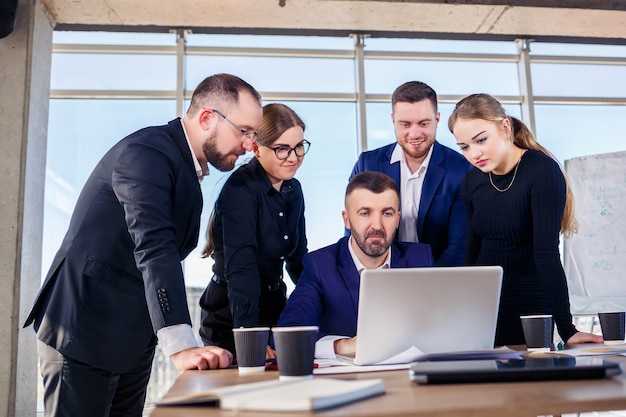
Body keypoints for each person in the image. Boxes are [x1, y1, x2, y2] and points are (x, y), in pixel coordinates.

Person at [24, 73, 264, 417]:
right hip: (84, 328)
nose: (248, 144)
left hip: (131, 337)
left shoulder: (184, 167)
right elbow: (154, 246)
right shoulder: (146, 153)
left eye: (253, 134)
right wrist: (181, 345)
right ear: (208, 117)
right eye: (244, 131)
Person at [448, 93, 603, 347]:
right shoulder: (472, 180)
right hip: (487, 306)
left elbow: (547, 253)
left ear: (505, 127)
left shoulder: (541, 171)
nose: (474, 154)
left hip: (532, 306)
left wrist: (567, 328)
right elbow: (473, 249)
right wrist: (467, 311)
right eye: (465, 147)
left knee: (532, 383)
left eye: (481, 140)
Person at [277, 171, 434, 358]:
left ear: (398, 218)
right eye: (365, 213)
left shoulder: (421, 259)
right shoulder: (320, 265)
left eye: (387, 213)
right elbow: (287, 335)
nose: (377, 225)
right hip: (349, 381)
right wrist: (342, 346)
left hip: (410, 378)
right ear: (347, 219)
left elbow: (443, 326)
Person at [199, 103, 309, 357]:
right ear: (257, 148)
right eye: (282, 149)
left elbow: (297, 260)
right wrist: (251, 338)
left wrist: (319, 304)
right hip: (233, 314)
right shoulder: (241, 190)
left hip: (273, 307)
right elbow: (242, 270)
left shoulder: (294, 190)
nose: (293, 157)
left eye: (299, 147)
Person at [350, 81, 472, 266]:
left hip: (439, 278)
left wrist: (425, 286)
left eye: (423, 123)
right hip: (379, 277)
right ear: (393, 121)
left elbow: (459, 245)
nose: (414, 134)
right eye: (405, 124)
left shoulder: (461, 169)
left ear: (437, 120)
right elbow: (355, 233)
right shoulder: (368, 164)